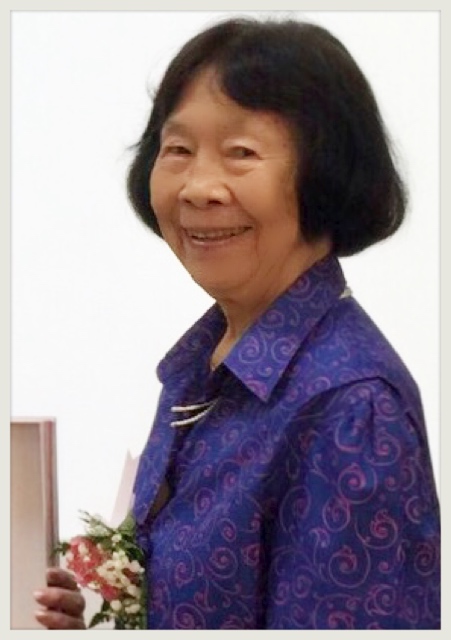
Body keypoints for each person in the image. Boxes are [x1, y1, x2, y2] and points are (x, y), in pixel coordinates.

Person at [34, 16, 440, 630]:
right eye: (177, 150)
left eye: (241, 154)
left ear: (327, 174)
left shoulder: (352, 408)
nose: (198, 188)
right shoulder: (203, 369)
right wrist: (100, 617)